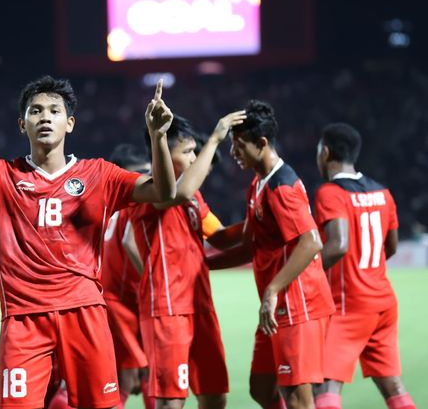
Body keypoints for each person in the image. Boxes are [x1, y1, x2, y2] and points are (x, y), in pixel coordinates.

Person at [0, 73, 176, 409]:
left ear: (70, 123)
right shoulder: (1, 175)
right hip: (24, 319)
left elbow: (163, 191)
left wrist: (158, 137)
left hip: (84, 312)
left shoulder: (99, 174)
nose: (45, 117)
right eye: (36, 111)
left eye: (55, 111)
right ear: (22, 124)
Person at [207, 100, 335, 409]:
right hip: (279, 308)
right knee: (261, 387)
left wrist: (273, 290)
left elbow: (311, 241)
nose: (233, 153)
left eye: (239, 145)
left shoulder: (282, 186)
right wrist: (201, 264)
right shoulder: (258, 184)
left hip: (298, 306)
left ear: (262, 143)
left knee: (298, 399)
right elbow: (251, 246)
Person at [128, 111, 246, 409]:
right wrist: (216, 139)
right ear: (164, 154)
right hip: (168, 309)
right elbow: (178, 192)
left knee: (215, 396)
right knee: (171, 402)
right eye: (188, 151)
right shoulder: (149, 189)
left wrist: (259, 220)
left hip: (200, 306)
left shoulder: (194, 198)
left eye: (196, 150)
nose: (195, 158)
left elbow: (220, 236)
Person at [312, 123, 416, 409]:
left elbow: (338, 244)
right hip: (383, 302)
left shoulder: (330, 193)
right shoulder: (383, 192)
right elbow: (390, 246)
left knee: (325, 383)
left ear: (326, 152)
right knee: (393, 385)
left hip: (350, 304)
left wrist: (306, 273)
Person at [100, 143, 152, 409]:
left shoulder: (107, 208)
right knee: (141, 376)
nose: (144, 179)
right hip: (123, 305)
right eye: (138, 173)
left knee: (128, 378)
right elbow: (131, 242)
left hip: (124, 301)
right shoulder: (131, 205)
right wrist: (155, 282)